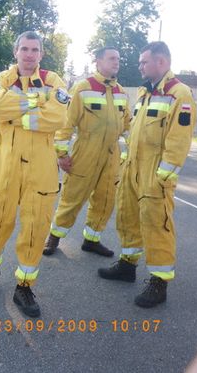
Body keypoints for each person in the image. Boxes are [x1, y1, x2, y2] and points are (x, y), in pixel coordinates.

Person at [0, 31, 68, 318]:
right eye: (24, 48)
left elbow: (58, 118)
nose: (29, 54)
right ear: (15, 51)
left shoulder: (54, 81)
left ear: (41, 54)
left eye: (35, 49)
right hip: (5, 165)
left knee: (36, 227)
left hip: (42, 168)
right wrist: (38, 102)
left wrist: (17, 111)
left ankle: (24, 285)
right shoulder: (3, 78)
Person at [98, 41, 197, 308]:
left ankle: (158, 282)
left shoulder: (180, 95)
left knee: (157, 226)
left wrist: (163, 177)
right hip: (133, 169)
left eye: (144, 61)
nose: (139, 65)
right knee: (128, 217)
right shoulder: (146, 93)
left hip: (155, 174)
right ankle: (128, 265)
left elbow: (178, 142)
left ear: (161, 62)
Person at [43, 47, 130, 257]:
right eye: (111, 58)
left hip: (112, 154)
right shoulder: (83, 88)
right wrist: (61, 154)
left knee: (105, 199)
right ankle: (53, 237)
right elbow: (66, 123)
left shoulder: (121, 92)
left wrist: (129, 154)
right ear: (98, 62)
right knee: (72, 197)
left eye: (118, 59)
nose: (116, 62)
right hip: (85, 152)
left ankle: (92, 239)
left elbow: (128, 125)